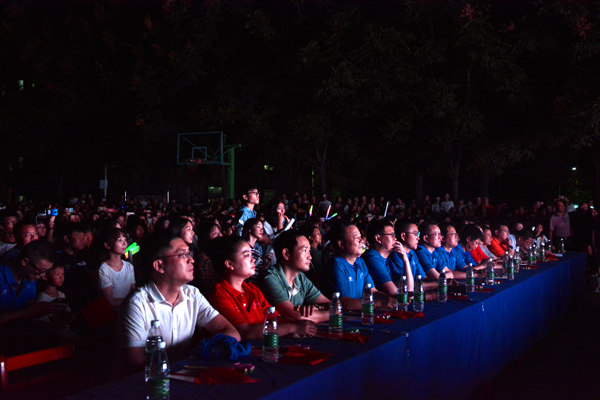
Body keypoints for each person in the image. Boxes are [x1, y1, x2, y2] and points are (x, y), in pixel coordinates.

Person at [116, 232, 240, 372]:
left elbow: (232, 332)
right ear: (159, 266)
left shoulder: (192, 295)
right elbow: (136, 361)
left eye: (189, 253)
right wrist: (188, 357)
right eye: (183, 255)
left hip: (184, 373)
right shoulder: (137, 304)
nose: (191, 260)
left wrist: (204, 349)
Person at [206, 236, 317, 340]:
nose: (253, 259)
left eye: (252, 255)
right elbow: (244, 331)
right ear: (229, 264)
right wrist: (293, 327)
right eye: (247, 255)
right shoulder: (218, 295)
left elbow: (274, 318)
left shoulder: (252, 289)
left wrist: (298, 323)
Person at [0, 241, 68, 355]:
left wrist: (50, 324)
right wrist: (29, 312)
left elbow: (25, 322)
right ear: (25, 261)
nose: (42, 276)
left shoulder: (30, 279)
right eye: (41, 271)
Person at [322, 222, 397, 311]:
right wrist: (380, 303)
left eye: (360, 237)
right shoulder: (336, 266)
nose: (361, 240)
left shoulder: (360, 262)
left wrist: (391, 300)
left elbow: (373, 291)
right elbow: (344, 303)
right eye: (356, 237)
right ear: (341, 244)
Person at [259, 230, 330, 323]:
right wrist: (333, 313)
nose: (310, 257)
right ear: (286, 254)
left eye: (309, 251)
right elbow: (296, 317)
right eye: (304, 250)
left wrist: (318, 307)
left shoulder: (300, 278)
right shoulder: (270, 279)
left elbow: (332, 304)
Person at [361, 219, 412, 297]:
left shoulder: (387, 260)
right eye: (391, 235)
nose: (395, 238)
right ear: (378, 238)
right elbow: (395, 293)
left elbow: (409, 290)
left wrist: (405, 260)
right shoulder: (371, 259)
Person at [98, 228, 136, 309]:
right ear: (108, 245)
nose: (124, 243)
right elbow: (110, 302)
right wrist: (131, 301)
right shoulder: (104, 269)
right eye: (119, 240)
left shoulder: (129, 266)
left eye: (125, 239)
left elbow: (133, 291)